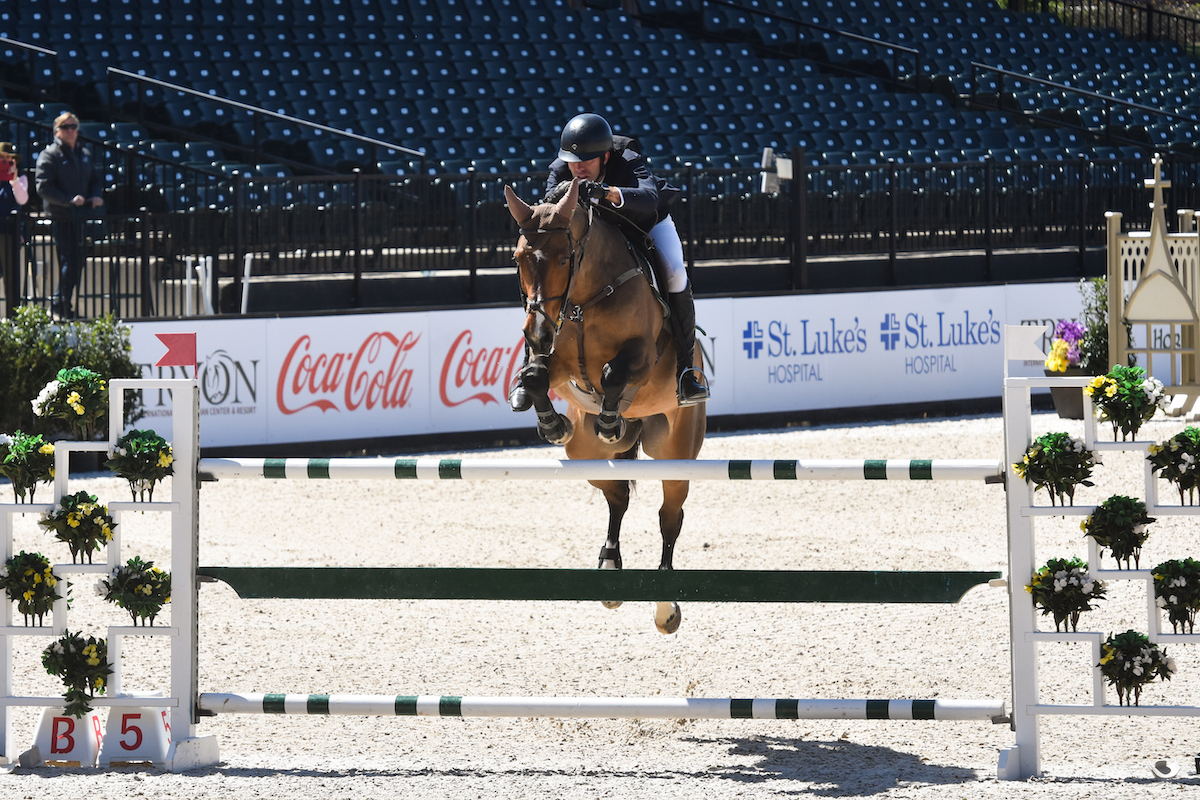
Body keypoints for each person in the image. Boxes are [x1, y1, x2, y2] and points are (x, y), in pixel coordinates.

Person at [510, 112, 709, 409]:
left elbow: (648, 197)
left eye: (587, 161)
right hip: (593, 238)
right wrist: (570, 190)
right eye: (572, 161)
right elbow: (551, 198)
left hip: (643, 225)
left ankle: (685, 372)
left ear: (605, 156)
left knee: (675, 275)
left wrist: (608, 193)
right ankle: (528, 367)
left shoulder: (626, 159)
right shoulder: (561, 168)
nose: (577, 167)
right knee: (544, 275)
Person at [35, 111, 103, 320]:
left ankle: (62, 303)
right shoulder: (49, 155)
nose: (71, 131)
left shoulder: (83, 154)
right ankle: (59, 304)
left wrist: (95, 196)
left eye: (74, 127)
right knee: (70, 260)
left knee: (78, 260)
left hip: (81, 216)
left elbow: (95, 179)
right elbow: (43, 187)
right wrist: (68, 200)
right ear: (57, 131)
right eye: (66, 127)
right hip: (62, 216)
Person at [0, 142, 29, 316]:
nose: (7, 161)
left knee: (11, 276)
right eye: (3, 158)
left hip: (9, 232)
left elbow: (22, 199)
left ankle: (12, 316)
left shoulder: (21, 178)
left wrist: (14, 181)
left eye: (10, 159)